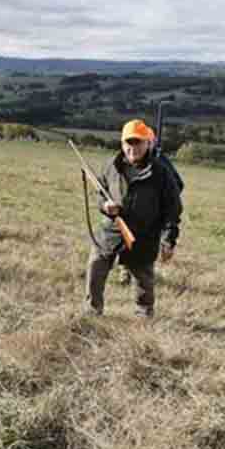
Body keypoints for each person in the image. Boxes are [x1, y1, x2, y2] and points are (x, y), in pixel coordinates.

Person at [85, 119, 183, 317]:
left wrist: (169, 239)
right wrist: (105, 206)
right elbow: (100, 193)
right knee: (95, 266)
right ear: (122, 144)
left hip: (144, 234)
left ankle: (143, 315)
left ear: (148, 143)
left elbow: (173, 209)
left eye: (138, 142)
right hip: (111, 230)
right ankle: (92, 311)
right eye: (129, 142)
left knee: (143, 280)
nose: (133, 147)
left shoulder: (161, 173)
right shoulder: (111, 166)